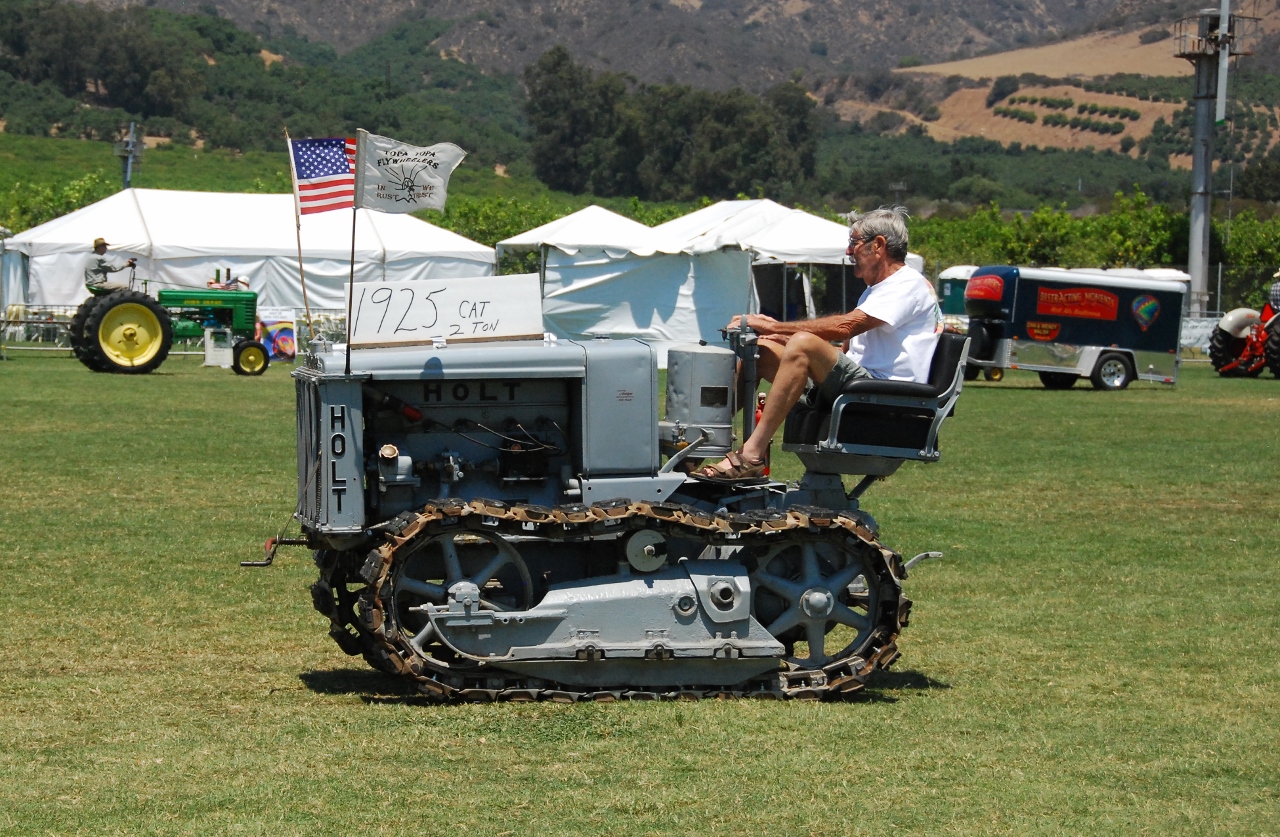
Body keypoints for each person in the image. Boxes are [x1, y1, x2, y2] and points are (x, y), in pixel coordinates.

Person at [697, 206, 942, 481]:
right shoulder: (878, 291)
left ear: (879, 245)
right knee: (764, 352)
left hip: (884, 393)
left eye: (854, 243)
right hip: (863, 385)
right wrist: (782, 339)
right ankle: (697, 446)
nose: (849, 252)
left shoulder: (906, 285)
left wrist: (776, 326)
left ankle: (751, 455)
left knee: (802, 343)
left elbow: (845, 326)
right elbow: (845, 353)